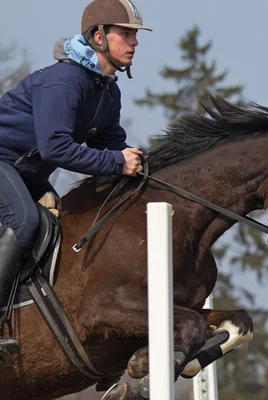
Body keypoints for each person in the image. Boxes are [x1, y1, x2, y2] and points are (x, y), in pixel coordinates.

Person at [0, 0, 151, 358]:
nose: (135, 42)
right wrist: (117, 162)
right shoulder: (65, 81)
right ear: (99, 37)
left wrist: (147, 168)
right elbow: (55, 150)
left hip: (23, 173)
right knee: (24, 222)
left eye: (135, 35)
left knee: (62, 226)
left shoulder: (107, 91)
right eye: (126, 33)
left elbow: (114, 146)